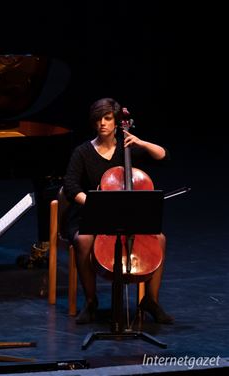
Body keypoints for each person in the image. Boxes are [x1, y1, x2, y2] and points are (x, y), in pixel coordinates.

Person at [63, 97, 173, 325]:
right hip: (90, 213)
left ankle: (151, 300)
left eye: (107, 118)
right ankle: (91, 302)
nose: (102, 123)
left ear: (116, 122)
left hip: (126, 215)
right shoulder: (82, 152)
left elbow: (164, 156)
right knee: (83, 240)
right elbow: (71, 185)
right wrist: (92, 203)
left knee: (159, 238)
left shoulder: (128, 148)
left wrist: (141, 143)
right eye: (98, 119)